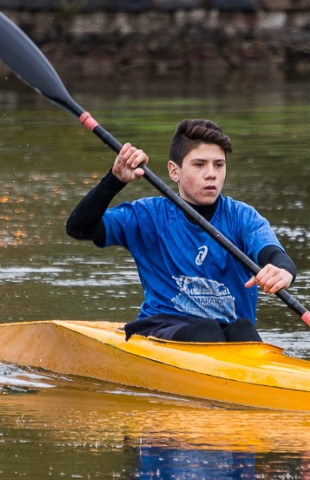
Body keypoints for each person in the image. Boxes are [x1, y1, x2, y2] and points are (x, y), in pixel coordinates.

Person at [66, 118, 297, 343]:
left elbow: (273, 254)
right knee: (205, 331)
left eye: (219, 164)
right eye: (199, 164)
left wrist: (283, 271)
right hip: (160, 328)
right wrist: (114, 180)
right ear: (174, 171)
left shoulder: (242, 217)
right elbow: (78, 228)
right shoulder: (147, 216)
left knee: (243, 329)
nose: (211, 174)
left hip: (229, 338)